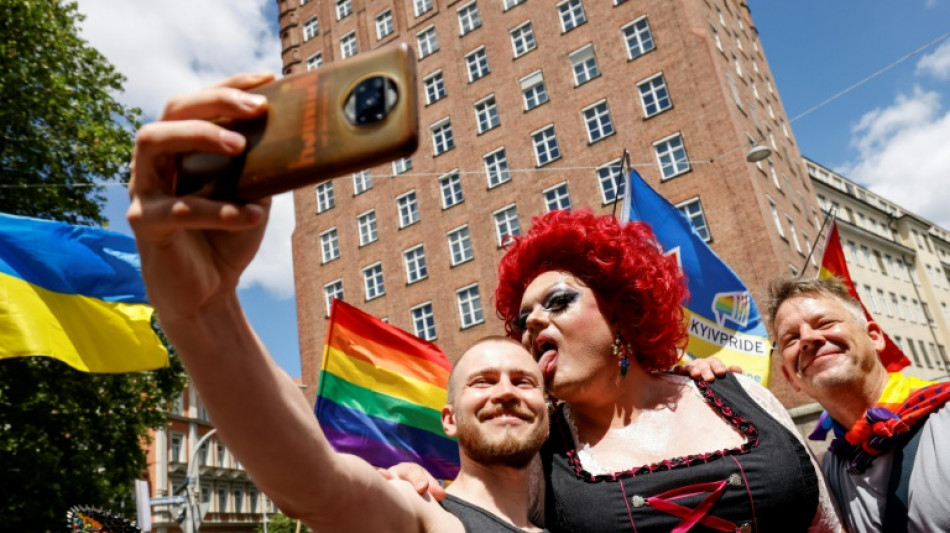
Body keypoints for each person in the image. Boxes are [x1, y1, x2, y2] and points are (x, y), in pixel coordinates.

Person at [127, 74, 552, 532]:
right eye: (483, 382)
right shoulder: (426, 514)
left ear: (548, 410)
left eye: (524, 381)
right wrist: (205, 310)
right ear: (448, 419)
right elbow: (318, 483)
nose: (505, 391)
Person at [485, 209, 841, 532]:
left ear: (620, 311)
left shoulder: (741, 395)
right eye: (522, 321)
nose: (533, 321)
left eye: (558, 302)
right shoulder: (538, 456)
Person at [768, 276, 950, 532]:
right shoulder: (823, 477)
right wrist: (719, 390)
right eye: (791, 339)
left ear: (874, 337)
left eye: (825, 323)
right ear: (790, 378)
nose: (808, 338)